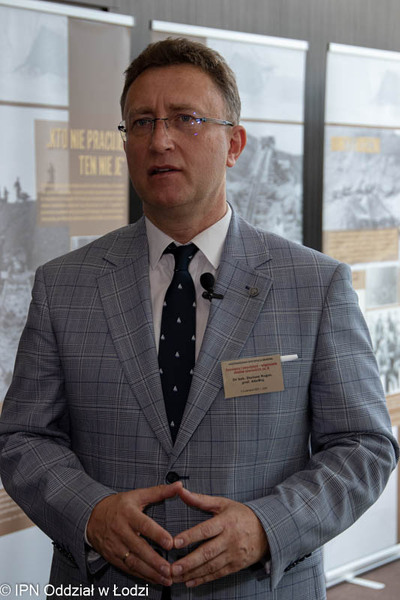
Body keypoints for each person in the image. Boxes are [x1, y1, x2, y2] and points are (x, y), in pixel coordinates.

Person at [0, 37, 398, 600]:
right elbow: (23, 437)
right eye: (142, 122)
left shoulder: (315, 285)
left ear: (234, 144)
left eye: (186, 119)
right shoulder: (64, 285)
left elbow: (364, 446)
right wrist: (90, 513)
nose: (159, 140)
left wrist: (268, 527)